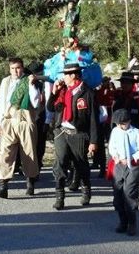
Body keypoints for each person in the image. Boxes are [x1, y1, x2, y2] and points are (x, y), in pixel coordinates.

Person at [47, 62, 99, 210]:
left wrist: (93, 141)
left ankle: (86, 190)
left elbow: (93, 119)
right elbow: (51, 108)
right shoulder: (62, 90)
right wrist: (54, 92)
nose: (63, 77)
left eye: (65, 74)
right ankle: (60, 196)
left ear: (73, 75)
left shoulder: (87, 92)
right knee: (60, 161)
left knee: (80, 164)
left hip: (79, 133)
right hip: (62, 131)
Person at [0, 58, 42, 198]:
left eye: (18, 67)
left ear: (22, 68)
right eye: (13, 68)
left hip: (25, 119)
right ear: (9, 69)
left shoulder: (28, 81)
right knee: (5, 152)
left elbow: (35, 102)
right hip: (8, 119)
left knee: (29, 152)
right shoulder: (5, 82)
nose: (16, 71)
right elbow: (2, 103)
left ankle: (30, 181)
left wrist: (32, 85)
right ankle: (3, 186)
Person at [108, 109, 139, 236]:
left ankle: (132, 223)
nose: (120, 126)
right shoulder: (115, 131)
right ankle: (122, 221)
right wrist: (116, 156)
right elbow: (111, 146)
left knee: (129, 193)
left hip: (132, 166)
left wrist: (132, 158)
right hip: (119, 165)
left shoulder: (136, 132)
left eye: (122, 124)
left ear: (129, 121)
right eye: (118, 124)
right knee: (118, 194)